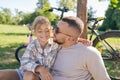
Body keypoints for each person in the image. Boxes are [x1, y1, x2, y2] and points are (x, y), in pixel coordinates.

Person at [0, 16, 92, 80]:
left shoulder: (55, 44)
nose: (44, 34)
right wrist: (40, 68)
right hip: (23, 72)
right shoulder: (33, 45)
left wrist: (82, 40)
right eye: (40, 31)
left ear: (51, 31)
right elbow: (24, 62)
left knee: (29, 76)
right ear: (35, 32)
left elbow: (68, 37)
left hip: (39, 77)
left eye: (47, 31)